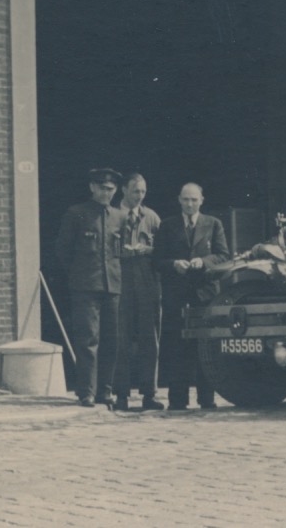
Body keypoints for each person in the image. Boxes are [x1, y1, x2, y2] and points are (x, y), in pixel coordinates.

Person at [154, 183, 229, 411]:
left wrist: (203, 262)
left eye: (194, 200)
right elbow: (156, 260)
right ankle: (177, 400)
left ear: (201, 200)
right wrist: (174, 264)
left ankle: (207, 398)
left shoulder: (213, 224)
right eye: (185, 199)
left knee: (205, 345)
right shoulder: (167, 225)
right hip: (176, 295)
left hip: (205, 294)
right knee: (177, 346)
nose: (189, 204)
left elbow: (224, 256)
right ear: (179, 199)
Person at [55, 168, 125, 408]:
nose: (107, 193)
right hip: (85, 287)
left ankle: (105, 391)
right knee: (88, 340)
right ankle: (86, 392)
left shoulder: (119, 217)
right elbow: (63, 250)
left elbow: (121, 253)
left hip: (112, 286)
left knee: (111, 340)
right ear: (92, 187)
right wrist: (79, 275)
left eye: (111, 189)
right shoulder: (77, 213)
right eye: (103, 188)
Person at [113, 173, 164, 411]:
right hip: (120, 282)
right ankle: (121, 394)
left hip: (147, 284)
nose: (140, 196)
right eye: (135, 191)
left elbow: (164, 249)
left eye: (143, 192)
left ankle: (149, 394)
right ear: (124, 190)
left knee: (150, 339)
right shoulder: (112, 215)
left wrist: (148, 250)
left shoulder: (151, 217)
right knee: (120, 338)